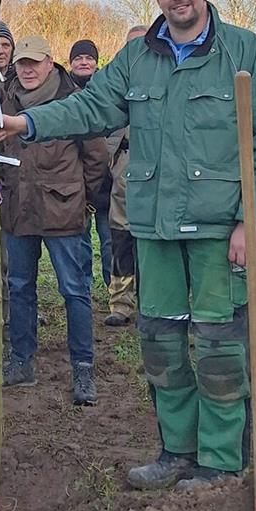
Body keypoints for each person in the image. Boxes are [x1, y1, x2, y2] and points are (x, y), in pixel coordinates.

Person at [0, 0, 256, 490]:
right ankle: (176, 450)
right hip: (153, 227)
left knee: (221, 344)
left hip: (219, 228)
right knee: (160, 341)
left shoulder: (246, 52)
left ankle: (221, 460)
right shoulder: (138, 58)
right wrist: (25, 121)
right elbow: (90, 108)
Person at [0, 36, 107, 405]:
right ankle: (22, 362)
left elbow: (96, 159)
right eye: (21, 63)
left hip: (64, 212)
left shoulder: (74, 102)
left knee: (74, 290)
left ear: (50, 62)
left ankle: (83, 369)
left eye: (34, 63)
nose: (27, 69)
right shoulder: (4, 98)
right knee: (20, 287)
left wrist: (83, 201)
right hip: (19, 212)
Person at [105, 25, 147, 327]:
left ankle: (153, 300)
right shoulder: (117, 83)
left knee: (152, 238)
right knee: (121, 236)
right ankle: (121, 301)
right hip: (124, 164)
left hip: (159, 168)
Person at [69, 38, 113, 289]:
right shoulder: (63, 93)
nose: (83, 62)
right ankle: (82, 286)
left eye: (88, 58)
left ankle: (114, 288)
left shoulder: (107, 90)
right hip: (76, 183)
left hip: (108, 181)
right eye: (78, 58)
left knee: (109, 241)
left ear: (96, 63)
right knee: (80, 240)